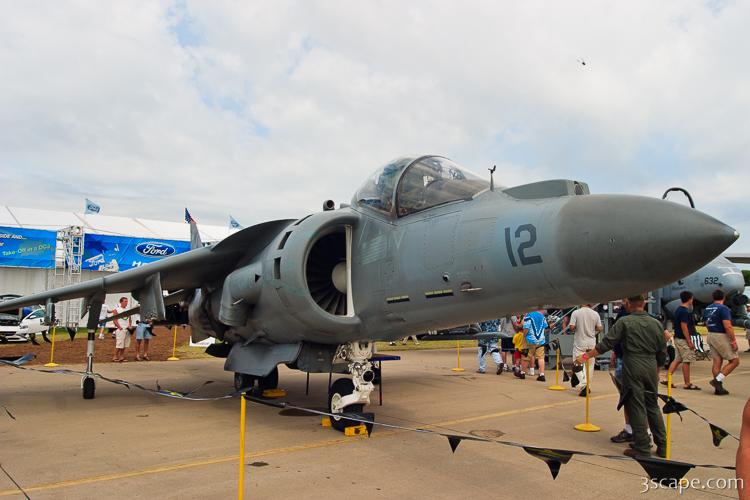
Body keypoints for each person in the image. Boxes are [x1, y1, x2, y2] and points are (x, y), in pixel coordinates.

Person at [576, 294, 667, 458]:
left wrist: (585, 356)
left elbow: (606, 344)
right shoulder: (656, 323)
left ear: (629, 304)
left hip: (633, 364)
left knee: (635, 405)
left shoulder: (625, 322)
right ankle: (662, 445)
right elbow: (662, 351)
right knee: (652, 405)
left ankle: (642, 447)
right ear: (644, 303)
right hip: (651, 366)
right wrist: (657, 370)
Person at [704, 289, 740, 395]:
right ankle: (717, 380)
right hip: (721, 335)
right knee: (734, 361)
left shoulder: (708, 308)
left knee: (717, 362)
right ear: (724, 297)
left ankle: (718, 389)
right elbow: (727, 326)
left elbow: (706, 323)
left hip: (711, 334)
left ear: (713, 297)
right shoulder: (723, 308)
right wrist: (733, 341)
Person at [664, 291, 700, 390]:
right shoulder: (684, 311)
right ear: (690, 299)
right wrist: (689, 341)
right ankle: (687, 383)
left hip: (677, 338)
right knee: (687, 361)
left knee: (677, 359)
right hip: (683, 339)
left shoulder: (678, 309)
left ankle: (667, 378)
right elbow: (684, 327)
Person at [568, 304, 603, 396]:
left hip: (580, 343)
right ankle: (587, 386)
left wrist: (578, 327)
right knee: (589, 365)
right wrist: (592, 328)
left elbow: (572, 327)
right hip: (591, 343)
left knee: (577, 363)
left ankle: (584, 385)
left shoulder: (576, 313)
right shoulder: (595, 314)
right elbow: (600, 328)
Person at [516, 309, 548, 382]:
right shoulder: (542, 316)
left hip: (530, 340)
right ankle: (542, 374)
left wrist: (524, 336)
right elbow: (545, 328)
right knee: (541, 358)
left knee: (526, 357)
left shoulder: (529, 316)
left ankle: (522, 373)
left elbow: (526, 328)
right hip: (541, 341)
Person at [112, 297, 133, 362]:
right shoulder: (116, 310)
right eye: (125, 301)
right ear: (121, 302)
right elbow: (114, 319)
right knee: (119, 344)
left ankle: (121, 356)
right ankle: (115, 356)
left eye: (127, 301)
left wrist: (130, 325)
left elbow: (130, 319)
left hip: (127, 329)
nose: (126, 303)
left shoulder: (128, 310)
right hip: (120, 329)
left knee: (125, 344)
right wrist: (119, 327)